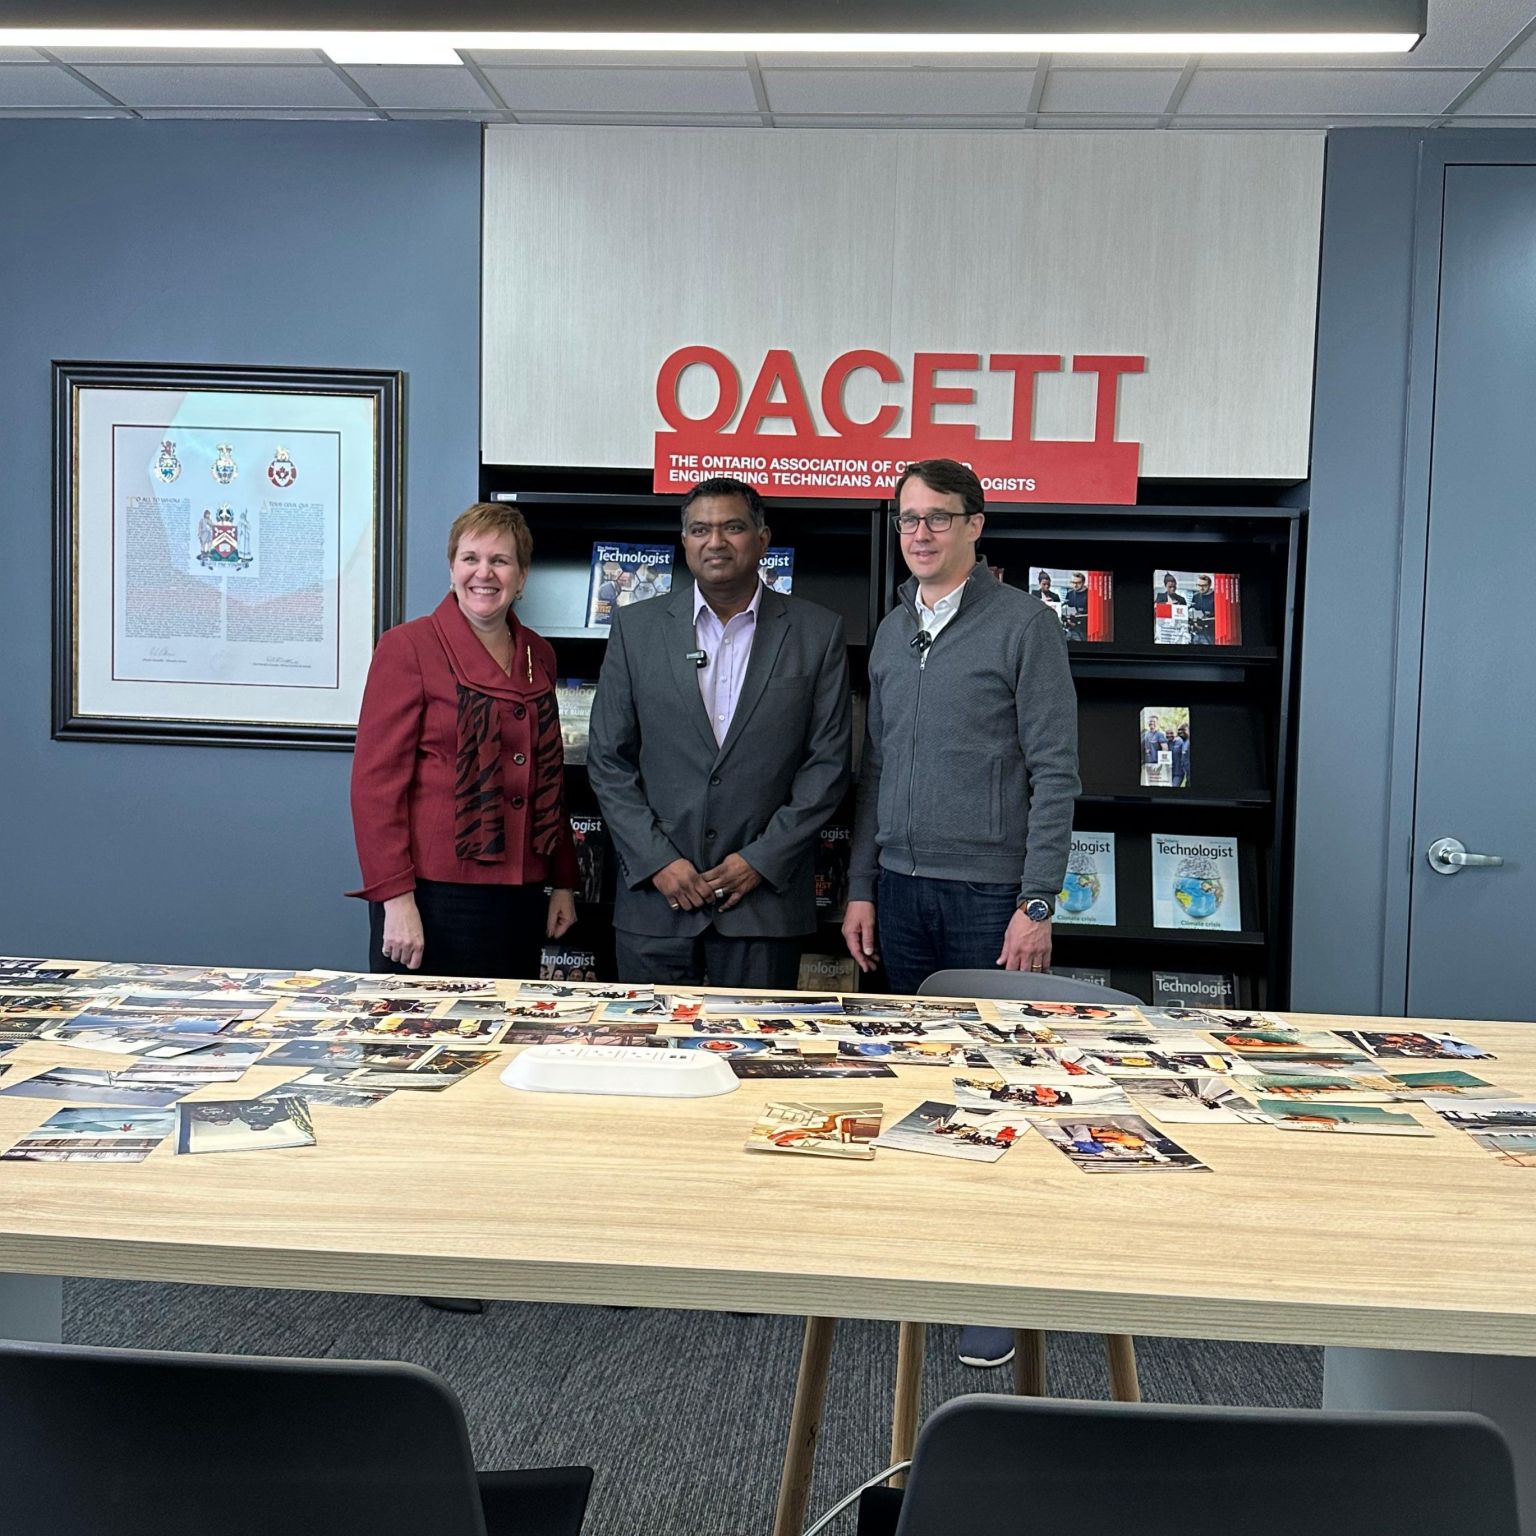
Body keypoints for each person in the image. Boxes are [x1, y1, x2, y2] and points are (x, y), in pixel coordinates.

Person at [841, 457, 1079, 1373]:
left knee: (996, 1088)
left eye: (941, 518)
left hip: (990, 898)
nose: (922, 533)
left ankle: (995, 1291)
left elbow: (1056, 772)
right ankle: (929, 1264)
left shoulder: (1025, 626)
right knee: (920, 1083)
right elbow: (877, 772)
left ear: (977, 527)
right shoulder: (895, 631)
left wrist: (1037, 902)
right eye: (909, 519)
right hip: (900, 890)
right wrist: (861, 883)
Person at [587, 476, 850, 989]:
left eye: (732, 527)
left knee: (755, 1064)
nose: (716, 541)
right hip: (655, 903)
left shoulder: (818, 633)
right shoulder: (636, 629)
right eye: (700, 529)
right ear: (683, 541)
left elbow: (828, 765)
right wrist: (657, 860)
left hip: (763, 906)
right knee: (650, 1062)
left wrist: (760, 860)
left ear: (762, 538)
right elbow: (608, 760)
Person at [349, 502, 579, 982]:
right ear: (452, 567)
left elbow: (548, 775)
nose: (484, 573)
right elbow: (376, 787)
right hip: (433, 898)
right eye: (471, 558)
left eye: (501, 560)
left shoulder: (540, 652)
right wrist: (395, 900)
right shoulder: (407, 646)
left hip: (520, 892)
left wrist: (562, 882)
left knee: (506, 1044)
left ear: (522, 576)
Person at [1189, 572, 1216, 644]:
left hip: (1210, 633)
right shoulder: (1196, 596)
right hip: (1197, 632)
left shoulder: (1216, 597)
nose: (1201, 588)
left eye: (1204, 585)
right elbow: (1193, 610)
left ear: (1209, 585)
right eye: (1199, 585)